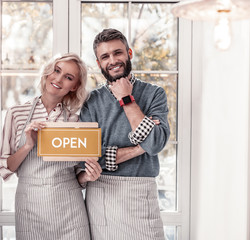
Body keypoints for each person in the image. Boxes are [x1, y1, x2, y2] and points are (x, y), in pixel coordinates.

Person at [0, 53, 102, 240]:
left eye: (68, 77)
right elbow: (6, 167)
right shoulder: (16, 114)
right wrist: (28, 145)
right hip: (30, 204)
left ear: (75, 86)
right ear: (48, 72)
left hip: (69, 207)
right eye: (57, 71)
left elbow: (78, 176)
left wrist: (88, 175)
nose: (58, 79)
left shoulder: (75, 121)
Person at [80, 28, 170, 240]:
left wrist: (126, 98)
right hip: (102, 193)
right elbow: (90, 156)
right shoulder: (91, 102)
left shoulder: (154, 94)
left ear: (129, 53)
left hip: (140, 191)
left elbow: (155, 144)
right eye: (105, 56)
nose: (113, 60)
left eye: (117, 53)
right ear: (99, 62)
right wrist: (140, 148)